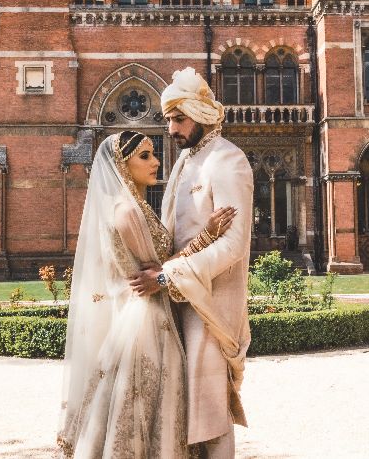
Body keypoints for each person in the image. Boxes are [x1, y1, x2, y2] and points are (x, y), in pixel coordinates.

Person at [58, 130, 236, 458]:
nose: (155, 162)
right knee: (151, 408)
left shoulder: (134, 206)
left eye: (154, 154)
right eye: (145, 156)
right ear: (122, 165)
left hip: (145, 315)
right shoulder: (127, 211)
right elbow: (158, 272)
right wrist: (207, 236)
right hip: (147, 322)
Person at [130, 67, 255, 459]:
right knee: (180, 412)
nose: (170, 129)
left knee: (210, 415)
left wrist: (167, 276)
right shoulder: (187, 162)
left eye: (178, 118)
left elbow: (234, 244)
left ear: (201, 115)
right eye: (168, 119)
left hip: (209, 305)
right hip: (176, 302)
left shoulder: (228, 160)